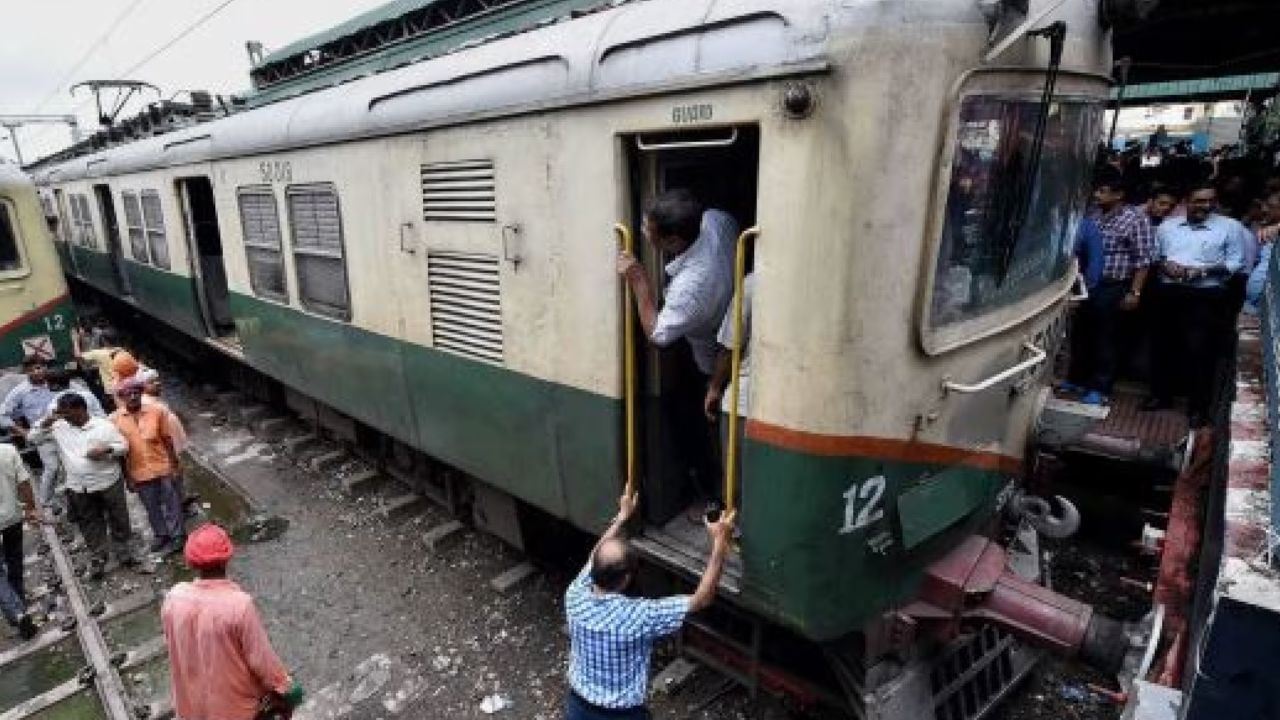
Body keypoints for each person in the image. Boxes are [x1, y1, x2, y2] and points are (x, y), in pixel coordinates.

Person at [564, 493, 733, 719]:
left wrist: (622, 517)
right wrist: (719, 543)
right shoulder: (637, 616)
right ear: (625, 580)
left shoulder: (574, 594)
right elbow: (701, 599)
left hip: (578, 708)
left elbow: (596, 554)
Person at [617, 190, 737, 508]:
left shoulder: (691, 288)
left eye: (648, 229)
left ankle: (717, 496)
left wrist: (640, 282)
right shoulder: (715, 220)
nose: (642, 229)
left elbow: (659, 334)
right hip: (721, 330)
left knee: (707, 422)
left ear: (672, 242)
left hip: (713, 358)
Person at [162, 523, 303, 720]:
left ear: (190, 562)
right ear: (227, 558)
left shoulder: (173, 598)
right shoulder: (239, 605)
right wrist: (288, 688)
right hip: (235, 711)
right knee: (287, 695)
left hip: (191, 709)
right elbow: (263, 663)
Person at [1145, 183, 1248, 428]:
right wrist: (1165, 265)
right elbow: (1154, 254)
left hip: (1205, 295)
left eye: (1210, 201)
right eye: (1199, 201)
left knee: (1199, 351)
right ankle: (1160, 396)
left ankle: (1198, 408)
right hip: (1169, 291)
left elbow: (1236, 262)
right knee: (1162, 345)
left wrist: (1204, 271)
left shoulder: (1230, 227)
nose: (1206, 206)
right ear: (1186, 201)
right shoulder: (1168, 226)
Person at [27, 394, 139, 579]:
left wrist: (107, 450)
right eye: (62, 414)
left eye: (68, 414)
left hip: (107, 481)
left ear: (81, 410)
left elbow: (123, 446)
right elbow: (32, 438)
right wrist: (48, 419)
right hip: (78, 486)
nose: (65, 418)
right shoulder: (58, 426)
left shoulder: (104, 426)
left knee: (118, 517)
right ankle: (98, 555)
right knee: (89, 521)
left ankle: (123, 550)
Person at [1068, 172, 1155, 405]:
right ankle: (1077, 379)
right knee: (1082, 332)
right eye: (1097, 190)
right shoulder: (1093, 215)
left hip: (1114, 285)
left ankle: (1100, 387)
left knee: (1106, 337)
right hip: (1087, 283)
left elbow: (1143, 261)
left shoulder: (1136, 220)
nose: (1097, 195)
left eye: (1103, 190)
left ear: (1119, 194)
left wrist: (1134, 292)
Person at [112, 379, 187, 555]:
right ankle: (161, 534)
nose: (132, 396)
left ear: (140, 393)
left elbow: (167, 439)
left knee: (172, 502)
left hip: (162, 464)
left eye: (136, 392)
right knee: (150, 505)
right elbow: (120, 454)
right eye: (128, 394)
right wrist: (127, 477)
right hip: (138, 470)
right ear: (122, 397)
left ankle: (178, 535)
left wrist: (174, 464)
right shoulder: (115, 420)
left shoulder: (157, 411)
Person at [2, 357, 61, 514]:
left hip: (66, 429)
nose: (40, 371)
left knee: (70, 467)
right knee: (52, 468)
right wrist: (22, 431)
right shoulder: (20, 391)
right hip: (43, 434)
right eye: (36, 368)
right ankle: (47, 502)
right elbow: (3, 416)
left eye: (42, 367)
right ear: (27, 371)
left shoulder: (55, 382)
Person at [0, 441, 38, 639]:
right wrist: (30, 508)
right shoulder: (7, 451)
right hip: (12, 519)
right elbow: (24, 482)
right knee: (15, 564)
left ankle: (17, 613)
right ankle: (20, 606)